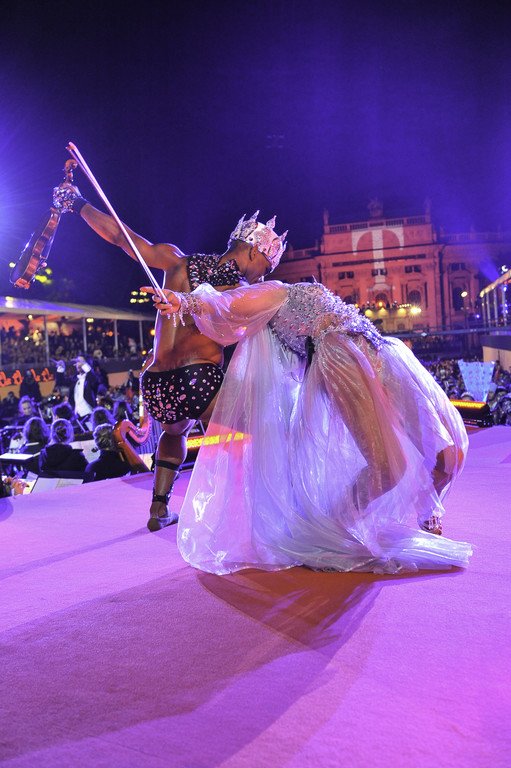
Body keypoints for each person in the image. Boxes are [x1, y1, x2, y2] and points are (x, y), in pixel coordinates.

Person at [145, 273, 472, 575]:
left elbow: (229, 303)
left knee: (449, 454)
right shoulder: (272, 294)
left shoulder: (282, 290)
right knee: (388, 468)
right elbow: (227, 304)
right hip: (345, 357)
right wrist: (184, 301)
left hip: (380, 349)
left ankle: (426, 510)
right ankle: (333, 528)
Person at [54, 181, 285, 531]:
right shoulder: (240, 290)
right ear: (254, 252)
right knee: (269, 425)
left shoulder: (176, 262)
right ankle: (273, 510)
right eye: (266, 266)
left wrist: (78, 203)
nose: (264, 275)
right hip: (197, 380)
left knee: (174, 432)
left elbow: (121, 237)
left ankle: (159, 508)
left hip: (156, 385)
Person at [68, 356, 99, 427]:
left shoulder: (91, 378)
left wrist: (84, 365)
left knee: (91, 432)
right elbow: (61, 383)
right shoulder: (75, 379)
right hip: (77, 415)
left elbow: (94, 380)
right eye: (77, 362)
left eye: (80, 361)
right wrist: (60, 368)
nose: (78, 364)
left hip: (89, 413)